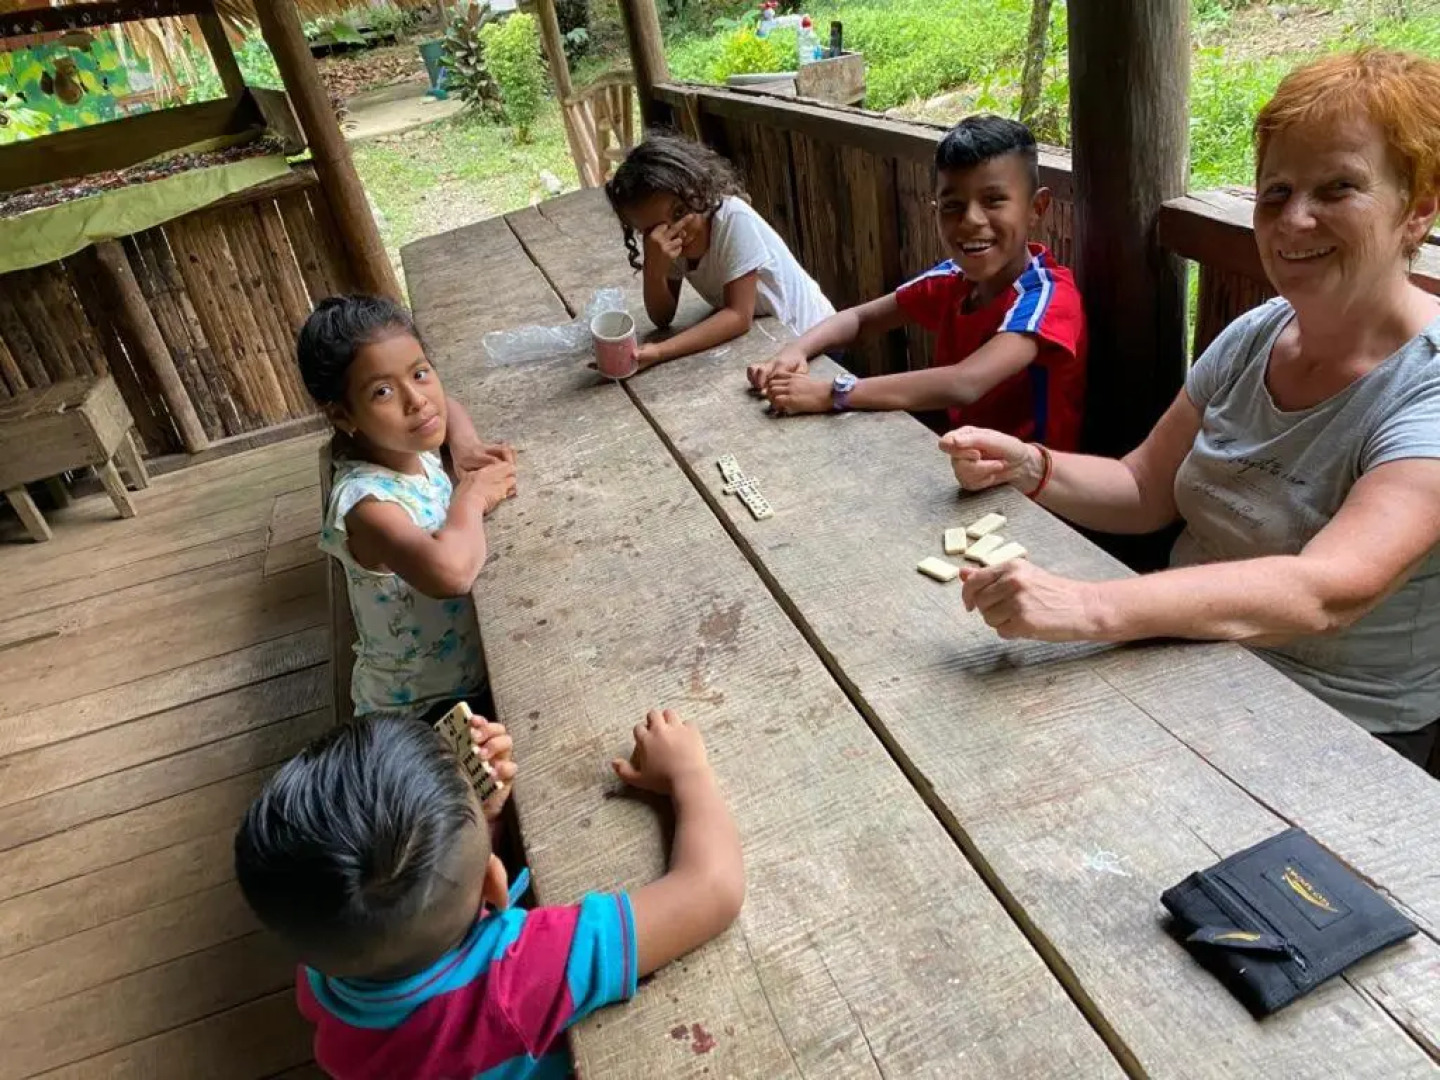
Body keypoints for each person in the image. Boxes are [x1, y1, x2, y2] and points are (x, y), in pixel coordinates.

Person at [944, 50, 1440, 766]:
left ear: (1417, 208)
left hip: (1338, 727)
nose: (1295, 220)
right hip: (1187, 658)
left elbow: (1328, 591)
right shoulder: (1254, 335)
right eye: (1276, 192)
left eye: (1338, 188)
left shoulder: (1425, 385)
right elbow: (1145, 488)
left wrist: (1088, 607)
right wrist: (1029, 465)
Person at [234, 709, 744, 1080]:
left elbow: (400, 894)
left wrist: (476, 825)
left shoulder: (326, 950)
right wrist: (689, 773)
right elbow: (713, 889)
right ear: (497, 886)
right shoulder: (516, 977)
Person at [748, 115, 1088, 452]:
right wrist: (794, 351)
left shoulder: (1047, 297)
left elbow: (965, 383)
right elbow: (860, 319)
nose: (970, 220)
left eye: (993, 200)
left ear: (1036, 208)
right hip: (963, 460)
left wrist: (832, 393)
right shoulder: (953, 280)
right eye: (952, 206)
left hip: (1031, 492)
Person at [298, 295, 518, 722]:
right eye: (383, 391)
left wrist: (467, 446)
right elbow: (450, 573)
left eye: (420, 373)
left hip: (468, 670)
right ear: (344, 416)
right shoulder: (366, 505)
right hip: (418, 711)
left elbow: (446, 405)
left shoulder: (404, 441)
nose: (417, 400)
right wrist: (471, 496)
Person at [604, 132, 835, 371]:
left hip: (815, 338)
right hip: (771, 340)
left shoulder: (733, 220)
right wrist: (654, 271)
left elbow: (738, 316)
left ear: (697, 188)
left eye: (680, 211)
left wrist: (661, 351)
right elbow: (662, 317)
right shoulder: (666, 244)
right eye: (656, 229)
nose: (677, 231)